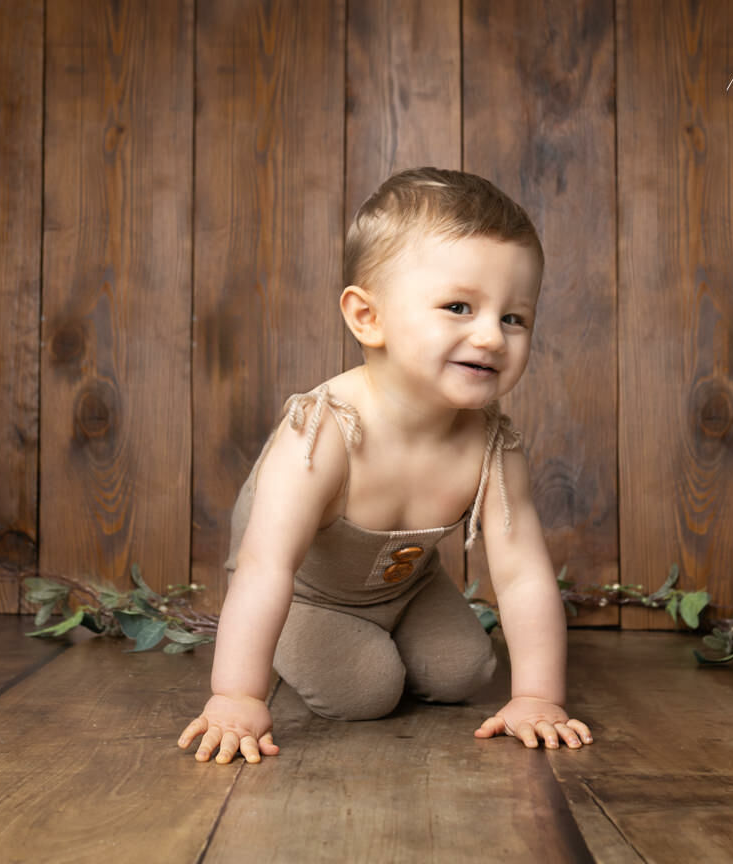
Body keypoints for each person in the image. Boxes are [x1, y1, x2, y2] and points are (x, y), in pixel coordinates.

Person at [177, 167, 593, 765]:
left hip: (408, 586)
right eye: (458, 306)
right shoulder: (323, 434)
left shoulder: (491, 444)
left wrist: (537, 697)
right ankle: (294, 649)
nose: (493, 338)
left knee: (465, 672)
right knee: (366, 690)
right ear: (367, 317)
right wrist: (236, 696)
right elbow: (266, 566)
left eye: (513, 318)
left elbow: (524, 573)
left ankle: (393, 630)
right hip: (305, 593)